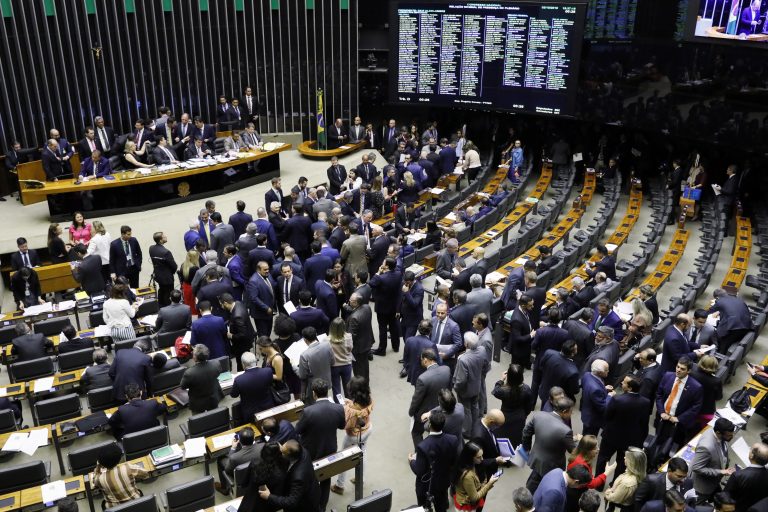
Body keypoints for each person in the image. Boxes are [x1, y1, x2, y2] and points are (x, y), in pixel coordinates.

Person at [295, 379, 345, 512]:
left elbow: (298, 430)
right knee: (326, 478)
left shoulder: (307, 411)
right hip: (329, 448)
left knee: (308, 477)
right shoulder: (338, 408)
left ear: (314, 393)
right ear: (327, 391)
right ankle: (322, 507)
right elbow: (342, 425)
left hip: (310, 451)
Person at [596, 375, 651, 475]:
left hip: (611, 437)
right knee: (622, 463)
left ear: (630, 388)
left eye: (624, 382)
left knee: (603, 459)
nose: (621, 383)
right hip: (630, 440)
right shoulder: (646, 402)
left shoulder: (617, 399)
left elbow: (607, 416)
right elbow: (644, 423)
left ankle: (598, 481)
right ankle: (616, 482)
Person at [521, 397, 578, 493]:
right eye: (571, 411)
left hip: (536, 457)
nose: (571, 414)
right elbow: (572, 450)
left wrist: (526, 449)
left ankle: (527, 495)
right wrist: (578, 440)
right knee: (547, 485)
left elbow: (526, 432)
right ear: (564, 411)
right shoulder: (565, 430)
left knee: (534, 479)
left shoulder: (539, 415)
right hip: (553, 465)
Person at [410, 410, 461, 512]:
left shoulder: (423, 446)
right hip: (443, 481)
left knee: (424, 508)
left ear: (429, 424)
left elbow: (419, 471)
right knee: (441, 505)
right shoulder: (453, 439)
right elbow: (454, 461)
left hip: (426, 486)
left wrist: (411, 461)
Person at [331, 376, 374, 495]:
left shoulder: (351, 411)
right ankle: (360, 478)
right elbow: (360, 409)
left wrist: (345, 408)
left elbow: (345, 425)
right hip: (367, 429)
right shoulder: (369, 399)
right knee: (362, 452)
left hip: (354, 435)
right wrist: (349, 403)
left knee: (344, 458)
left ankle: (339, 485)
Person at [258, 440, 321, 512]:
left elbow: (291, 502)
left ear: (289, 457)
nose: (280, 450)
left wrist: (269, 496)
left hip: (305, 504)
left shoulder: (298, 478)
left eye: (282, 452)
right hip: (312, 488)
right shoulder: (301, 450)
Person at [655, 357, 703, 446]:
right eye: (677, 367)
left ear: (689, 371)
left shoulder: (696, 387)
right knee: (657, 441)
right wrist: (661, 411)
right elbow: (659, 395)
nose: (678, 370)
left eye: (682, 369)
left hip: (678, 423)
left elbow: (696, 407)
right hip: (662, 418)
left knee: (672, 446)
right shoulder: (667, 376)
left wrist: (679, 418)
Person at [90, 442, 149, 509]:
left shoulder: (99, 478)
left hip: (114, 509)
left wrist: (98, 468)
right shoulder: (128, 468)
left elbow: (94, 482)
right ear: (119, 458)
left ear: (101, 463)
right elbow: (146, 474)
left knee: (103, 504)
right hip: (136, 504)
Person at [690, 418, 736, 504]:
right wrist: (721, 471)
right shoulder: (706, 447)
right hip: (702, 487)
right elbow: (696, 468)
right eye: (729, 436)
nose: (731, 437)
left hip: (713, 481)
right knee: (696, 505)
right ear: (718, 432)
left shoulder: (717, 433)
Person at [566, 435, 617, 512]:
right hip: (575, 493)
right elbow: (591, 484)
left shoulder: (580, 454)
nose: (598, 449)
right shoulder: (580, 464)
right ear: (588, 450)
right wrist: (606, 473)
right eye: (595, 448)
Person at [454, 332, 489, 435]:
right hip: (477, 386)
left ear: (466, 344)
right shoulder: (482, 350)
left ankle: (466, 431)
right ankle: (475, 427)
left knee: (466, 410)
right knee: (475, 406)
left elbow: (461, 380)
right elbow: (486, 365)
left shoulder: (463, 360)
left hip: (465, 390)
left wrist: (456, 388)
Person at [214, 426, 263, 496]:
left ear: (239, 440)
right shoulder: (263, 446)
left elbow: (227, 470)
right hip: (259, 476)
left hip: (243, 479)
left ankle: (224, 488)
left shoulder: (234, 458)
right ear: (254, 438)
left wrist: (233, 448)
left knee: (220, 459)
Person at [452, 441, 500, 511]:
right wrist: (489, 484)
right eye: (478, 457)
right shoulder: (468, 476)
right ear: (470, 457)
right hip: (466, 507)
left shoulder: (469, 464)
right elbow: (474, 498)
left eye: (482, 456)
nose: (482, 459)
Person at [369, 257, 402, 356]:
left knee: (382, 328)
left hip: (382, 307)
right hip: (393, 306)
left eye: (383, 262)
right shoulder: (398, 274)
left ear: (386, 266)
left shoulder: (381, 278)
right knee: (393, 327)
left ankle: (382, 350)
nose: (382, 263)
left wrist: (378, 272)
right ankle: (396, 346)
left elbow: (371, 283)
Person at [231, 352, 275, 425]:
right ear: (255, 361)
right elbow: (270, 384)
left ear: (243, 364)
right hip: (269, 409)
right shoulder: (268, 371)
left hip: (251, 415)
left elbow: (233, 395)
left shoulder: (239, 380)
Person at [724, 442, 768, 512]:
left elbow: (725, 497)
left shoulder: (737, 475)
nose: (749, 449)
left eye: (750, 449)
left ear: (751, 456)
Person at [180, 344, 224, 413]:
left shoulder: (189, 373)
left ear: (195, 357)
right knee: (215, 416)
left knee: (199, 419)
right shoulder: (216, 363)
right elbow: (218, 373)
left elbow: (183, 386)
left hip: (198, 404)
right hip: (213, 398)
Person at [708, 288, 752, 355]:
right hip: (747, 326)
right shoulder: (738, 299)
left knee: (716, 335)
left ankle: (718, 355)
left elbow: (709, 312)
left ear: (717, 298)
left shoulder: (720, 301)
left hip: (734, 329)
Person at [297, 327, 334, 403]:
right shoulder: (327, 345)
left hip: (314, 386)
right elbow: (333, 362)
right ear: (316, 334)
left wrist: (294, 367)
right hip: (327, 381)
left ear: (305, 340)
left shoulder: (304, 355)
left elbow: (302, 375)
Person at [580, 359, 615, 436]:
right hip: (593, 420)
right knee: (589, 438)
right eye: (606, 370)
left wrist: (604, 388)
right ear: (600, 373)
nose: (608, 371)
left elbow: (589, 389)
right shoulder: (596, 389)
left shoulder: (587, 375)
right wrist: (610, 396)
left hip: (587, 411)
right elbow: (603, 407)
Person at [345, 292, 374, 380]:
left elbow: (351, 337)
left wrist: (347, 349)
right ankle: (366, 382)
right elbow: (356, 310)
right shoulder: (367, 307)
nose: (349, 301)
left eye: (350, 300)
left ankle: (361, 385)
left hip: (358, 348)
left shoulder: (354, 318)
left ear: (355, 303)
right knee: (365, 365)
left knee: (358, 369)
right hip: (367, 342)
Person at [691, 355, 724, 428]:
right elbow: (718, 397)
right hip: (706, 411)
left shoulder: (692, 373)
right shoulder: (717, 381)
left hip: (690, 408)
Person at [326, 317, 353, 403]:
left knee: (336, 389)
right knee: (348, 388)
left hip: (334, 366)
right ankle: (349, 405)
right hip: (346, 365)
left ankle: (339, 406)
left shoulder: (326, 340)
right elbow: (350, 349)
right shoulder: (348, 336)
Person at [246, 261, 276, 337]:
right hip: (260, 314)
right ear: (258, 270)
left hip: (269, 312)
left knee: (268, 332)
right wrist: (266, 308)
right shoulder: (253, 281)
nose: (267, 271)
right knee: (263, 335)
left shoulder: (268, 275)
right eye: (265, 269)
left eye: (268, 269)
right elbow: (254, 298)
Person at [148, 231, 177, 307]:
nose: (166, 237)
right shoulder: (166, 252)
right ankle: (168, 308)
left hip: (158, 275)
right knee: (168, 294)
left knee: (161, 290)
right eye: (164, 236)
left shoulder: (151, 248)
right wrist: (171, 272)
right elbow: (174, 266)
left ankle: (160, 306)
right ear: (160, 240)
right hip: (167, 278)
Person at [178, 250, 200, 315]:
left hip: (185, 287)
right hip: (193, 289)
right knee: (194, 306)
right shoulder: (195, 268)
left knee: (188, 304)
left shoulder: (183, 265)